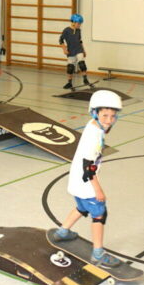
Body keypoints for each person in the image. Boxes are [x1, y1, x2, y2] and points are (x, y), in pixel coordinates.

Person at [51, 89, 124, 267]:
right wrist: (98, 190)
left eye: (113, 116)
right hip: (86, 182)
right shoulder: (95, 138)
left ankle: (62, 233)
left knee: (82, 207)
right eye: (105, 115)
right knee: (99, 213)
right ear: (95, 113)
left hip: (76, 180)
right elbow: (89, 168)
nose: (109, 120)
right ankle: (98, 253)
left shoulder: (92, 125)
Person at [59, 13, 89, 89]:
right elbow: (61, 40)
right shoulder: (66, 30)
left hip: (79, 49)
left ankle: (85, 79)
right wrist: (64, 49)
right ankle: (69, 83)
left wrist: (84, 50)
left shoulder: (78, 30)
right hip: (71, 51)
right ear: (73, 22)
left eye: (80, 24)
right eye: (78, 23)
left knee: (82, 64)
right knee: (70, 68)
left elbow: (80, 41)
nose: (79, 25)